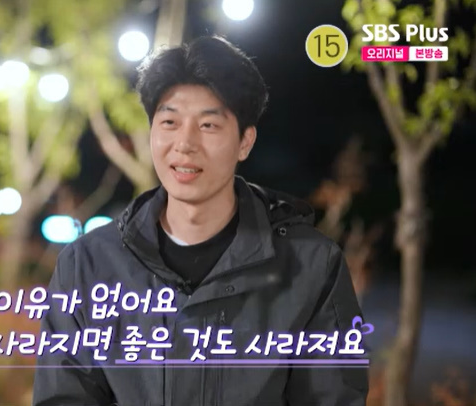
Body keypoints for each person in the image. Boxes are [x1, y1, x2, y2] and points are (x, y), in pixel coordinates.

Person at [32, 35, 368, 406]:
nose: (185, 143)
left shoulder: (311, 266)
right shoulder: (88, 264)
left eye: (208, 125)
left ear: (245, 142)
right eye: (169, 122)